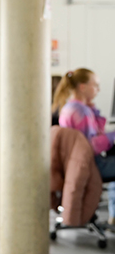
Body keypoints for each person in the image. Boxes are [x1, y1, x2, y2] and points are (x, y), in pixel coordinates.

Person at [52, 68, 115, 225]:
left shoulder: (69, 108)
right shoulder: (82, 112)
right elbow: (91, 147)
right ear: (83, 87)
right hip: (92, 165)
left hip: (74, 166)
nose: (98, 90)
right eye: (96, 85)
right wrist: (113, 136)